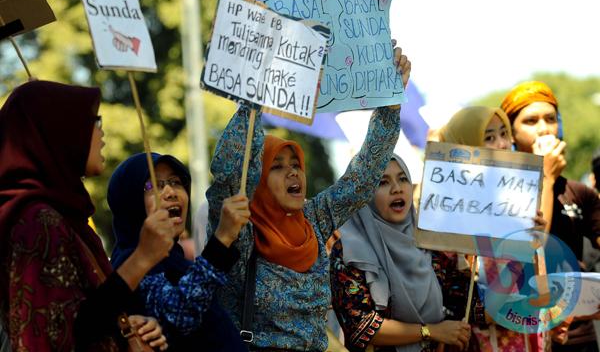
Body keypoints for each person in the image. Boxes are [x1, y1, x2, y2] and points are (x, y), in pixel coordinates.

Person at [206, 44, 411, 350]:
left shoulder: (314, 219)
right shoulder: (241, 231)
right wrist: (254, 99)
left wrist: (390, 107)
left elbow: (362, 178)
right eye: (277, 167)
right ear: (257, 180)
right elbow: (231, 172)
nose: (293, 174)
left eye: (296, 166)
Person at [0, 80, 172, 351]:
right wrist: (143, 257)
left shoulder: (62, 214)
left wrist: (122, 326)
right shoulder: (37, 222)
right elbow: (55, 339)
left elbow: (81, 317)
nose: (102, 134)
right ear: (60, 130)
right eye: (94, 121)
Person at [108, 152, 249, 351]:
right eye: (153, 186)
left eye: (175, 182)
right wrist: (222, 239)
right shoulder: (130, 264)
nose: (170, 192)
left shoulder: (177, 261)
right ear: (130, 203)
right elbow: (180, 314)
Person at [330, 153, 471, 352]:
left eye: (403, 178)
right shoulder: (348, 251)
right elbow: (360, 327)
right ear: (362, 195)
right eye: (383, 182)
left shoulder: (427, 243)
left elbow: (466, 303)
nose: (397, 188)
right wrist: (430, 331)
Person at [437, 106, 548, 351]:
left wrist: (535, 241)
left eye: (503, 134)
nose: (502, 144)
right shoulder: (447, 218)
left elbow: (535, 290)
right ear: (465, 146)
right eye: (488, 138)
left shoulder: (522, 204)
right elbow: (464, 305)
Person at [501, 81, 600, 352]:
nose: (544, 128)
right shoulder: (500, 194)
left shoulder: (580, 193)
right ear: (510, 134)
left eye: (550, 119)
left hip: (578, 334)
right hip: (525, 330)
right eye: (531, 121)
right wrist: (544, 175)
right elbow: (532, 245)